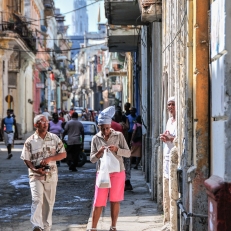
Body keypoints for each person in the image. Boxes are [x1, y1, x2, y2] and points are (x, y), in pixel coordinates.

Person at [20, 114, 66, 231]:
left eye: (46, 122)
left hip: (51, 175)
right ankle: (37, 225)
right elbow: (26, 158)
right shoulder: (29, 141)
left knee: (48, 203)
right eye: (42, 122)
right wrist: (34, 169)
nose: (45, 124)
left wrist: (50, 159)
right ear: (36, 125)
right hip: (35, 175)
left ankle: (46, 227)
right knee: (37, 199)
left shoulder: (54, 138)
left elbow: (63, 154)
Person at [89, 106, 131, 231]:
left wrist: (117, 149)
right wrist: (99, 153)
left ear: (110, 126)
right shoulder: (96, 138)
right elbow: (92, 159)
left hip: (118, 172)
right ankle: (93, 228)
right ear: (99, 127)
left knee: (115, 199)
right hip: (102, 174)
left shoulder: (118, 136)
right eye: (103, 129)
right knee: (98, 201)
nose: (106, 131)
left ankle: (113, 226)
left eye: (107, 128)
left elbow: (128, 153)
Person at [160, 96, 176, 224]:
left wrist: (171, 139)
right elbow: (169, 135)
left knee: (174, 190)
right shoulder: (169, 121)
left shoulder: (178, 121)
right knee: (167, 188)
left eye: (172, 104)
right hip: (167, 155)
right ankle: (168, 219)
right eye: (168, 105)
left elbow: (179, 138)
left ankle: (173, 221)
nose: (170, 107)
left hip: (175, 158)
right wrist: (165, 137)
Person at [114, 109, 133, 191]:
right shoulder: (123, 126)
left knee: (122, 165)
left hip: (121, 148)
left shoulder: (118, 126)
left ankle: (123, 182)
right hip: (124, 147)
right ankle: (126, 182)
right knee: (126, 165)